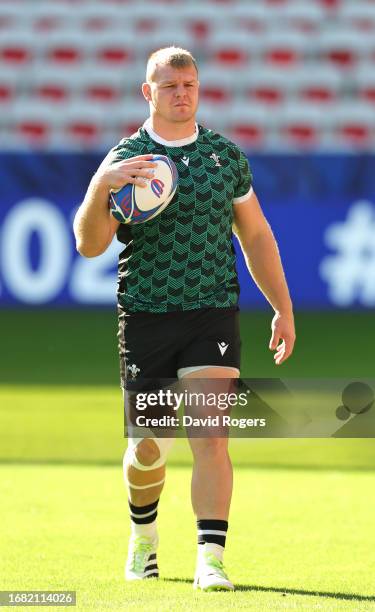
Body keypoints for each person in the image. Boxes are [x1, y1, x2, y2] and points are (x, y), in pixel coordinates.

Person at [73, 46, 295, 592]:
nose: (181, 93)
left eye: (189, 83)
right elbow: (88, 245)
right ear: (148, 92)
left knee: (211, 437)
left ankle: (210, 558)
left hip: (212, 314)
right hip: (146, 316)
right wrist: (102, 185)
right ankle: (144, 539)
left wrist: (282, 308)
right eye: (169, 85)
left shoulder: (225, 156)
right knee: (148, 447)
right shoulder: (126, 158)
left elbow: (258, 235)